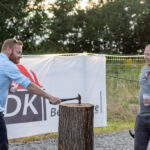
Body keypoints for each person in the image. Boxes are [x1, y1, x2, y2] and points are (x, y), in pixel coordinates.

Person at [0, 38, 61, 150]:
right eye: (18, 52)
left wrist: (6, 86)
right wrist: (50, 97)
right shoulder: (8, 65)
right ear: (8, 50)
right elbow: (28, 85)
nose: (20, 56)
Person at [134, 44, 150, 150]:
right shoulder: (143, 70)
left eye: (149, 54)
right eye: (145, 54)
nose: (146, 57)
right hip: (141, 117)